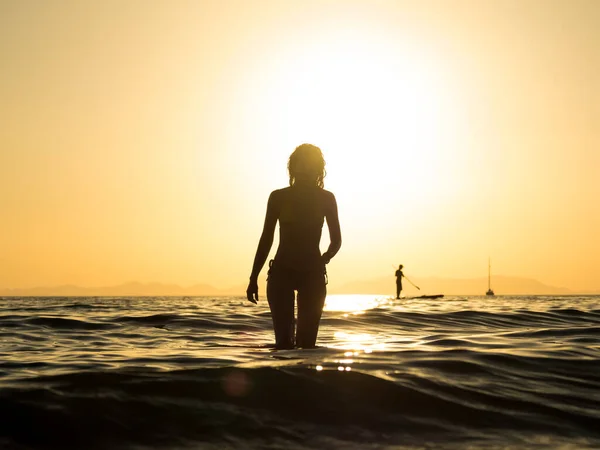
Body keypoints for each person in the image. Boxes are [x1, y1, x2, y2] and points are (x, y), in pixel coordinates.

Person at [246, 144, 342, 349]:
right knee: (283, 344)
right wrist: (253, 277)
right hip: (281, 272)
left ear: (318, 169)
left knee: (307, 346)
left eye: (311, 165)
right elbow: (266, 239)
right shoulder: (279, 197)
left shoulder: (326, 198)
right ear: (293, 168)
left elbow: (336, 240)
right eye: (301, 165)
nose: (306, 170)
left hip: (312, 275)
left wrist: (324, 258)